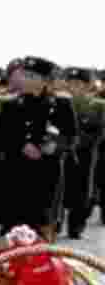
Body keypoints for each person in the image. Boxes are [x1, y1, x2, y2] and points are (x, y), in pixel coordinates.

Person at [0, 56, 77, 241]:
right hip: (17, 174)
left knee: (44, 229)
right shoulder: (11, 105)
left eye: (32, 76)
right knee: (17, 230)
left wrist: (54, 147)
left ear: (46, 81)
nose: (25, 80)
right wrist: (21, 146)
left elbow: (71, 137)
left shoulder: (60, 105)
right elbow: (0, 136)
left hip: (47, 175)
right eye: (24, 75)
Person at [61, 66, 105, 238]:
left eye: (78, 84)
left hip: (87, 154)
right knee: (60, 189)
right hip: (64, 152)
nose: (73, 87)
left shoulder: (98, 106)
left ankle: (76, 226)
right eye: (70, 83)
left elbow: (99, 131)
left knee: (83, 192)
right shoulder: (61, 103)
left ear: (88, 86)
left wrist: (79, 141)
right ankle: (55, 223)